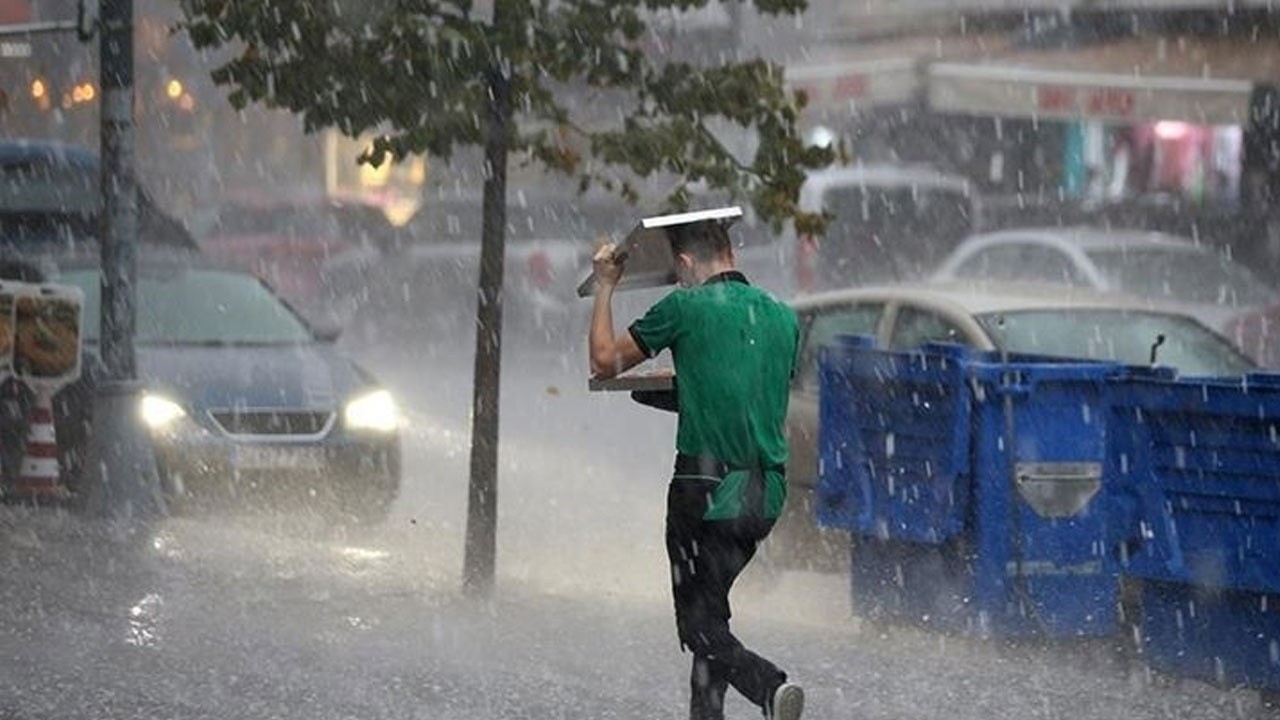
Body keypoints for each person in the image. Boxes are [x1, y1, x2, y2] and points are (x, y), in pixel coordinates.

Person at [587, 217, 804, 720]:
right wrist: (683, 382)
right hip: (764, 496)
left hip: (704, 491)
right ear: (729, 251)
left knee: (698, 628)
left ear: (685, 264)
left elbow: (602, 360)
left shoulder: (685, 306)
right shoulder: (782, 317)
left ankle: (769, 687)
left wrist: (605, 287)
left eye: (679, 272)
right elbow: (741, 392)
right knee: (712, 615)